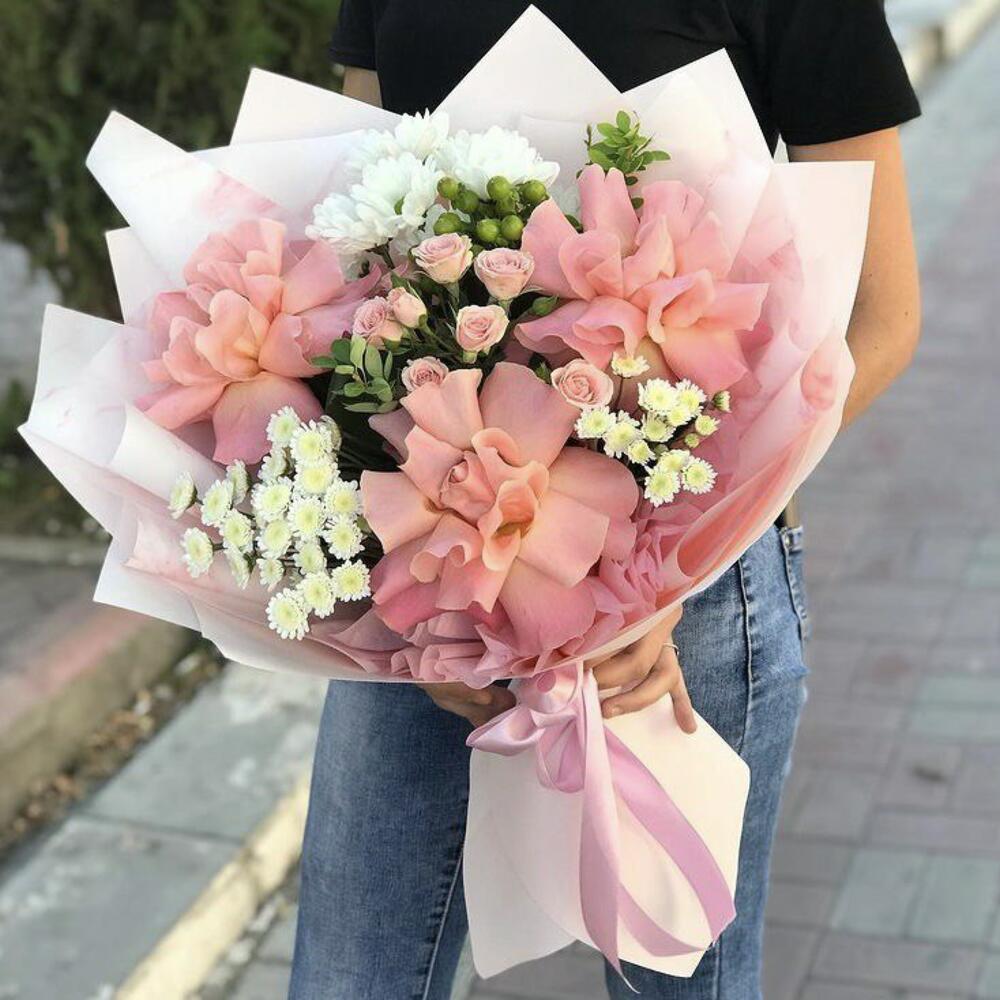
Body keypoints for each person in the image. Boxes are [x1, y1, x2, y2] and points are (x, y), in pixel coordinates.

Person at [290, 2, 922, 997]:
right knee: (348, 976)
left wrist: (663, 570)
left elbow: (881, 318)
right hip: (429, 588)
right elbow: (347, 253)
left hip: (680, 604)